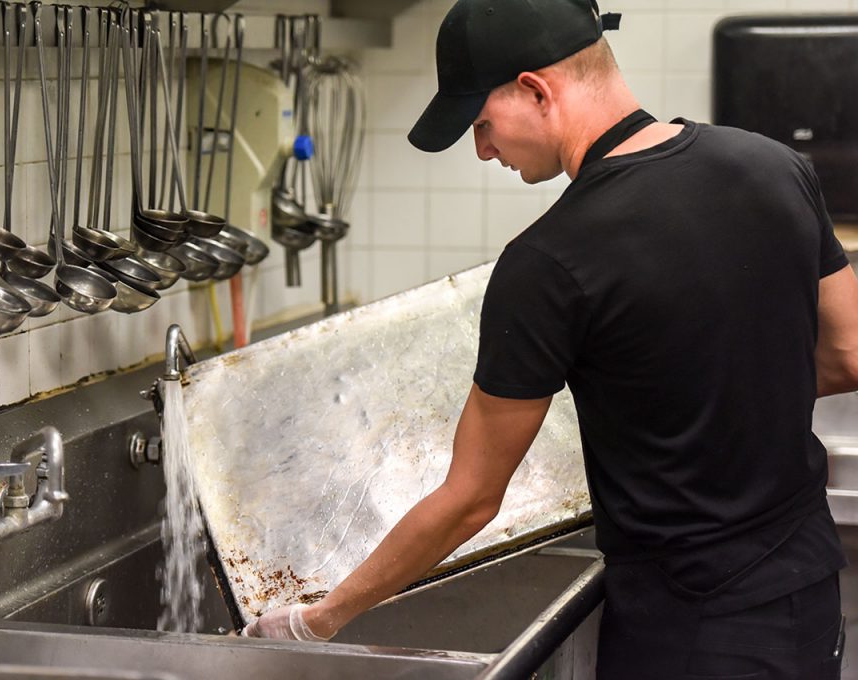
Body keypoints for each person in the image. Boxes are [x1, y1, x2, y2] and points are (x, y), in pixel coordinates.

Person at [244, 0, 858, 677]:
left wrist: (320, 617)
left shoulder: (550, 260)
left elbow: (472, 497)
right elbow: (847, 355)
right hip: (806, 595)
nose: (483, 149)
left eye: (482, 124)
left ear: (536, 89)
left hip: (690, 630)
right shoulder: (776, 167)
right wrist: (717, 389)